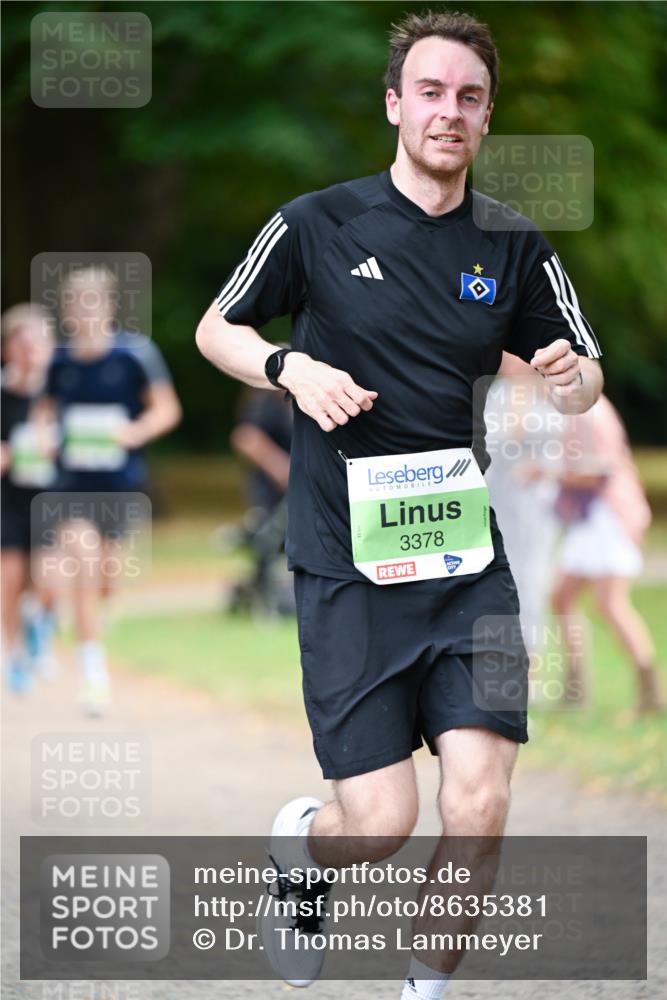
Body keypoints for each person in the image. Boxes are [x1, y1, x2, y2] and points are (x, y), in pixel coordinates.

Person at [196, 10, 603, 996]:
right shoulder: (315, 223)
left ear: (485, 114)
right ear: (394, 102)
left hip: (467, 563)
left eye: (468, 96)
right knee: (379, 825)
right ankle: (302, 851)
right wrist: (290, 367)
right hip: (346, 564)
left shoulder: (514, 243)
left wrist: (566, 375)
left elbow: (584, 372)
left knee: (478, 803)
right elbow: (218, 327)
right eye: (429, 90)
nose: (448, 111)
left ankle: (424, 990)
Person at [33, 265, 182, 714]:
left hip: (121, 485)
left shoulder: (136, 354)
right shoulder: (58, 361)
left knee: (105, 578)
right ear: (68, 311)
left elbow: (167, 410)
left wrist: (137, 432)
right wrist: (43, 436)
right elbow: (42, 412)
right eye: (76, 304)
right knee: (83, 563)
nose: (85, 312)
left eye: (93, 303)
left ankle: (86, 622)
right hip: (70, 486)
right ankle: (93, 674)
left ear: (110, 307)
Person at [551, 394, 662, 713]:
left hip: (608, 518)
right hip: (592, 520)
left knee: (610, 603)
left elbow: (599, 468)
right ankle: (576, 683)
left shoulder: (588, 412)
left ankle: (650, 689)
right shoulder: (583, 409)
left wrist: (549, 472)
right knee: (562, 596)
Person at [1, 303, 57, 693]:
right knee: (10, 578)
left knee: (49, 578)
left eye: (38, 342)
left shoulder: (61, 389)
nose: (30, 350)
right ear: (8, 349)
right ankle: (16, 654)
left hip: (54, 496)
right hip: (8, 498)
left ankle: (40, 623)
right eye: (22, 343)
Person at [228, 387, 293, 615]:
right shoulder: (265, 403)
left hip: (295, 490)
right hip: (270, 492)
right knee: (267, 538)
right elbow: (245, 437)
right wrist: (278, 466)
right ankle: (262, 597)